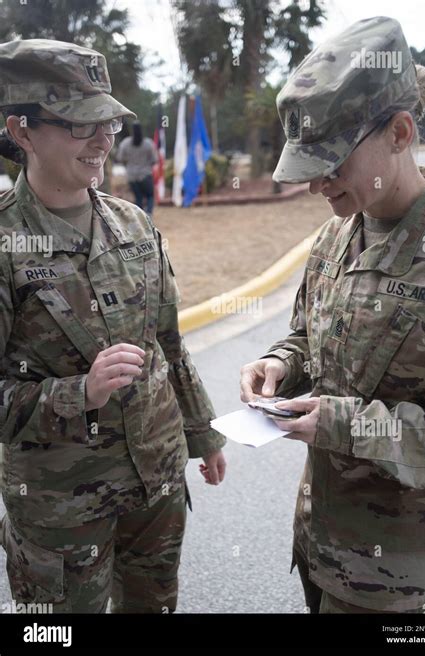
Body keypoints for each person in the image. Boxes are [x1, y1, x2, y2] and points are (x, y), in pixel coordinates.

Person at [240, 16, 425, 614]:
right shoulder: (333, 238)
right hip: (321, 553)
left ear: (400, 132)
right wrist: (278, 365)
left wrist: (341, 424)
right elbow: (308, 336)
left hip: (408, 585)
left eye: (333, 161)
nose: (316, 183)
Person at [0, 38, 226, 613]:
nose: (105, 140)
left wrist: (201, 434)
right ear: (22, 131)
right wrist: (80, 393)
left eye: (109, 121)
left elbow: (169, 341)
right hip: (60, 511)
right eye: (81, 124)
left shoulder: (133, 223)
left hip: (156, 483)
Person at [116, 121, 157, 214]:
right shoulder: (148, 143)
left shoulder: (125, 143)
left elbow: (119, 158)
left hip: (131, 176)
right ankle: (149, 214)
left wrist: (128, 163)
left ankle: (140, 217)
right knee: (150, 196)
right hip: (145, 174)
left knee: (138, 198)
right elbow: (154, 160)